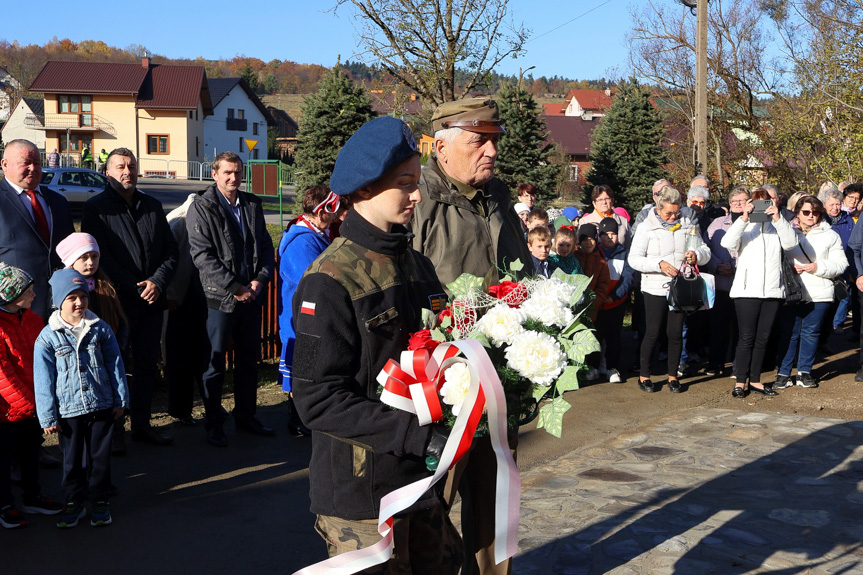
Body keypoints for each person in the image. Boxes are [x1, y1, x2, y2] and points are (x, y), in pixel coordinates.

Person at [292, 116, 461, 573]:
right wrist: (419, 436)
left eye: (418, 182)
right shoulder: (326, 281)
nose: (418, 195)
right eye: (405, 184)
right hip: (362, 498)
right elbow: (316, 400)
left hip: (420, 480)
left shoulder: (418, 266)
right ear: (365, 189)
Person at [408, 97, 530, 575]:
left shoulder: (499, 197)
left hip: (500, 380)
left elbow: (521, 275)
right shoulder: (417, 197)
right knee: (431, 506)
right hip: (443, 385)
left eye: (494, 140)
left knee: (494, 503)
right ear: (441, 146)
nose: (492, 151)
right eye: (479, 141)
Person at [81, 148, 178, 447]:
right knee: (115, 365)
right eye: (120, 166)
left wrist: (157, 282)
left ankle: (142, 424)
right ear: (107, 172)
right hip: (116, 302)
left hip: (152, 300)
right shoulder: (96, 209)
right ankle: (116, 431)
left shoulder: (151, 205)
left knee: (148, 364)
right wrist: (135, 286)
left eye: (132, 166)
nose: (128, 171)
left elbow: (170, 251)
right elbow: (101, 257)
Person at [187, 151, 276, 448]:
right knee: (214, 365)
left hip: (251, 297)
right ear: (214, 174)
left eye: (237, 172)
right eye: (227, 172)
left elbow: (265, 245)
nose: (233, 178)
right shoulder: (201, 207)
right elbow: (203, 257)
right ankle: (214, 422)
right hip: (219, 301)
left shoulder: (252, 204)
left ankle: (246, 416)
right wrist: (235, 287)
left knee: (248, 361)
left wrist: (259, 280)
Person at [34, 268, 129, 528]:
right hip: (68, 411)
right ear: (58, 301)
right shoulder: (48, 337)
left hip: (101, 405)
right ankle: (74, 500)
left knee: (100, 457)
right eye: (71, 298)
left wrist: (120, 399)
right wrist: (47, 415)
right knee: (72, 460)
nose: (79, 303)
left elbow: (115, 364)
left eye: (83, 297)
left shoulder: (100, 328)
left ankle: (100, 499)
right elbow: (43, 379)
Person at [628, 186, 711, 394]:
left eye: (677, 212)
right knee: (653, 332)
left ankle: (673, 376)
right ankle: (644, 376)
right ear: (658, 208)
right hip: (654, 288)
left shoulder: (688, 224)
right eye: (669, 213)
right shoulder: (646, 227)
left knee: (675, 333)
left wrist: (696, 255)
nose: (674, 216)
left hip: (680, 287)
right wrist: (659, 264)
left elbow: (705, 251)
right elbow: (634, 259)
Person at [0, 263, 64, 529]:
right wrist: (28, 403)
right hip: (6, 411)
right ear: (11, 296)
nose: (35, 294)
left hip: (33, 405)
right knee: (3, 460)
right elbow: (2, 375)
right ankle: (5, 505)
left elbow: (47, 359)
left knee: (30, 452)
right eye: (28, 291)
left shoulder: (34, 319)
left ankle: (32, 495)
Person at [719, 188, 797, 397]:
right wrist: (744, 217)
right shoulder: (745, 226)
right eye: (758, 203)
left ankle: (755, 380)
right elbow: (727, 244)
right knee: (746, 338)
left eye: (767, 202)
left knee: (763, 338)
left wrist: (778, 219)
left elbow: (791, 244)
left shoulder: (778, 226)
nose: (762, 207)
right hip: (746, 291)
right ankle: (740, 381)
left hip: (772, 290)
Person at [277, 184, 340, 438]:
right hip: (300, 316)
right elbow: (312, 279)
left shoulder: (316, 233)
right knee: (301, 365)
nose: (336, 215)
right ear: (322, 211)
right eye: (333, 210)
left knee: (309, 365)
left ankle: (306, 415)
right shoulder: (301, 241)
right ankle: (298, 418)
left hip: (310, 313)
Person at [774, 196, 848, 389]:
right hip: (791, 290)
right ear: (797, 213)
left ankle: (804, 372)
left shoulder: (830, 235)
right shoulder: (785, 231)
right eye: (806, 212)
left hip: (819, 290)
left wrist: (816, 266)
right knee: (789, 333)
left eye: (815, 212)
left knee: (811, 333)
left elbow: (841, 263)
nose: (811, 216)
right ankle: (783, 373)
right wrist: (791, 266)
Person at [0, 139, 75, 320]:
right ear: (4, 164)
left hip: (59, 304)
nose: (33, 168)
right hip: (13, 307)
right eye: (25, 163)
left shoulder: (57, 201)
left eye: (37, 163)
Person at [164, 195, 208, 427]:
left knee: (204, 353)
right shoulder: (178, 224)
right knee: (179, 356)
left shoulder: (206, 217)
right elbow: (168, 260)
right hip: (180, 298)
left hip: (202, 296)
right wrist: (171, 294)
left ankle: (209, 403)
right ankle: (180, 410)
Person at [704, 186, 748, 376]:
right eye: (734, 201)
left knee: (741, 330)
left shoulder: (753, 224)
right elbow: (705, 247)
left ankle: (738, 366)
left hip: (743, 286)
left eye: (742, 201)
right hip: (720, 285)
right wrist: (716, 265)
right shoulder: (717, 223)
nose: (738, 204)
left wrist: (735, 268)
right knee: (717, 328)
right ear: (729, 204)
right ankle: (716, 364)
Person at [596, 218, 636, 384]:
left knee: (613, 337)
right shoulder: (594, 252)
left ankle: (613, 367)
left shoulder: (624, 253)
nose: (610, 238)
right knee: (596, 335)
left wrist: (614, 296)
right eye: (606, 234)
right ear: (600, 236)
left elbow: (627, 278)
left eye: (613, 234)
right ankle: (594, 366)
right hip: (597, 303)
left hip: (616, 303)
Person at [819, 187, 855, 338]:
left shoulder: (848, 220)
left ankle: (826, 338)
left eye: (838, 204)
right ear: (824, 205)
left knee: (837, 303)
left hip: (843, 269)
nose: (835, 208)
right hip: (824, 268)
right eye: (832, 204)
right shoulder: (820, 220)